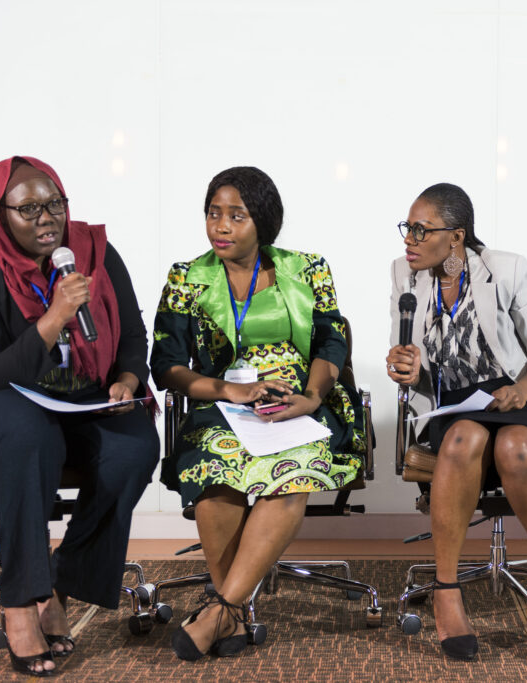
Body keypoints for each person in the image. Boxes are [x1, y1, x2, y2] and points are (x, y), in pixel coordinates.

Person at [0, 157, 159, 676]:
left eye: (54, 204)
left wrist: (127, 379)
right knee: (28, 430)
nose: (46, 218)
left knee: (133, 446)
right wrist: (55, 318)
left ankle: (60, 585)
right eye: (28, 209)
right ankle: (21, 602)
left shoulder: (93, 252)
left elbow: (133, 334)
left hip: (72, 394)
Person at [151, 166, 365, 661]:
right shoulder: (187, 276)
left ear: (263, 221)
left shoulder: (308, 268)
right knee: (214, 474)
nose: (221, 226)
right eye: (213, 214)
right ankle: (230, 612)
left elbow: (331, 341)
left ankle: (220, 611)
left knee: (290, 474)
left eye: (236, 216)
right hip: (221, 403)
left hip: (295, 401)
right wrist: (231, 390)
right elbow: (166, 364)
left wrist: (310, 397)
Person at [385, 183, 527, 660]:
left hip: (526, 397)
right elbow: (418, 370)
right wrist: (409, 370)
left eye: (421, 229)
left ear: (456, 236)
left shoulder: (506, 269)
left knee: (516, 446)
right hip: (455, 406)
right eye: (407, 228)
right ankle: (446, 591)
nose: (408, 239)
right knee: (461, 441)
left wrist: (522, 390)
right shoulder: (405, 274)